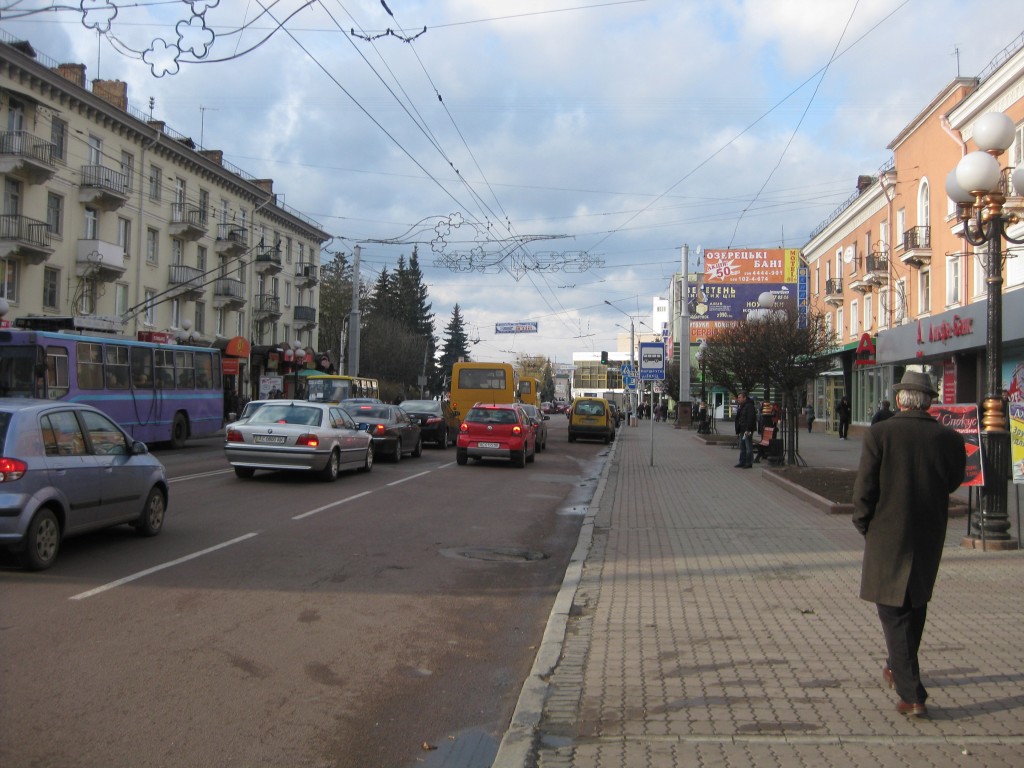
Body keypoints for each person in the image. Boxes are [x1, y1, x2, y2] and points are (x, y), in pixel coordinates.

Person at [852, 370, 966, 719]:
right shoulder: (949, 438)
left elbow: (865, 487)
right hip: (928, 532)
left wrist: (864, 522)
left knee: (892, 609)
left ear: (901, 399)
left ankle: (912, 693)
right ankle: (896, 665)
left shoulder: (880, 434)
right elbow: (953, 481)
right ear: (928, 401)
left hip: (887, 532)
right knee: (915, 603)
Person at [733, 391, 758, 468]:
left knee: (748, 445)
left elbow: (751, 418)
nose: (738, 399)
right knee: (742, 446)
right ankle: (742, 462)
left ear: (744, 398)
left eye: (740, 397)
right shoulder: (742, 406)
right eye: (738, 397)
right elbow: (739, 417)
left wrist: (748, 429)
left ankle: (749, 462)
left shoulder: (749, 406)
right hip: (742, 429)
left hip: (747, 429)